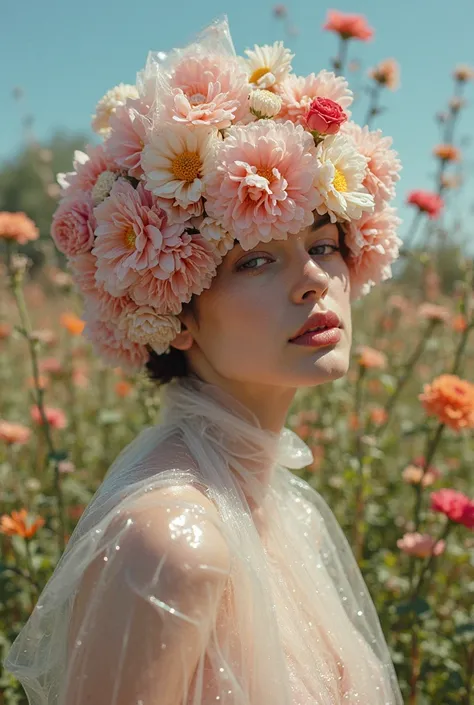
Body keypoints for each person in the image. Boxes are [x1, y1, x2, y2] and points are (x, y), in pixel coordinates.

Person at [3, 16, 404, 705]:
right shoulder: (172, 545)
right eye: (255, 258)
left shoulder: (288, 510)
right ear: (174, 306)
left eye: (327, 242)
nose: (313, 277)